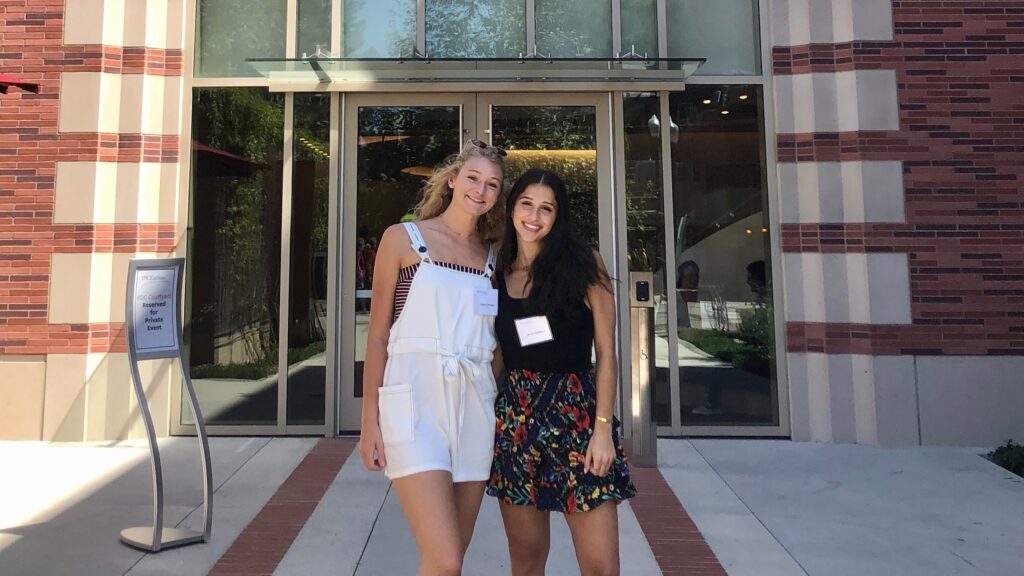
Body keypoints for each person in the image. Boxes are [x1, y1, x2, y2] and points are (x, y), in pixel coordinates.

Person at [359, 139, 507, 576]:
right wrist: (371, 418)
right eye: (474, 178)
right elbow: (378, 335)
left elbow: (496, 343)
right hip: (416, 405)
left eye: (493, 185)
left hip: (474, 410)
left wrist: (488, 385)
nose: (481, 190)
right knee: (444, 559)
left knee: (450, 560)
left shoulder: (493, 259)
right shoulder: (404, 239)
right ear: (452, 180)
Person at [487, 168, 636, 576]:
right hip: (516, 426)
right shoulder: (498, 272)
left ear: (559, 215)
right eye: (526, 204)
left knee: (601, 565)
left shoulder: (585, 263)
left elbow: (606, 351)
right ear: (512, 208)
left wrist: (603, 429)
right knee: (527, 560)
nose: (534, 216)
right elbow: (500, 352)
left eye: (546, 208)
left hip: (577, 421)